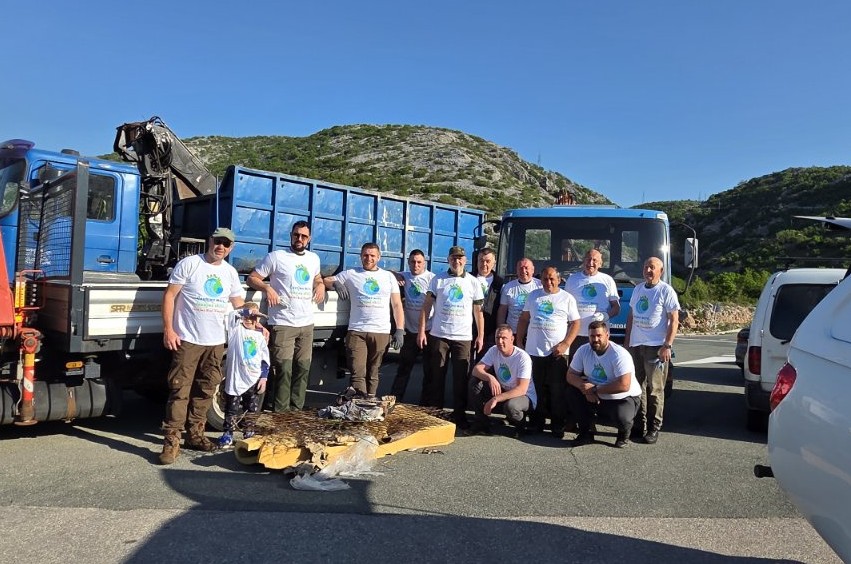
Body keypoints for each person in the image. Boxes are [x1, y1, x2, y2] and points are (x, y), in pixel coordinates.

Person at [159, 227, 245, 465]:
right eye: (218, 241)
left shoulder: (229, 272)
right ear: (210, 241)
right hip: (187, 340)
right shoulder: (190, 264)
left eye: (226, 244)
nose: (221, 247)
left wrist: (255, 322)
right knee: (180, 390)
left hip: (215, 342)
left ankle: (195, 434)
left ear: (231, 248)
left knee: (206, 389)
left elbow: (238, 304)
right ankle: (171, 440)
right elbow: (169, 296)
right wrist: (169, 329)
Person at [247, 221, 324, 412]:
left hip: (306, 324)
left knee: (303, 369)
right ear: (291, 235)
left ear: (309, 239)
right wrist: (267, 288)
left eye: (304, 236)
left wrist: (321, 284)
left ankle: (296, 411)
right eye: (296, 235)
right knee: (284, 370)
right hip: (283, 323)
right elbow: (252, 278)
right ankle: (281, 414)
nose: (299, 239)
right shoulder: (276, 257)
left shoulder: (313, 258)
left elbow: (316, 277)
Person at [324, 243, 405, 396]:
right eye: (365, 255)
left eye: (372, 255)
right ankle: (359, 403)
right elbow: (326, 280)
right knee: (357, 373)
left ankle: (370, 401)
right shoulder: (350, 274)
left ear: (379, 257)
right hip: (357, 332)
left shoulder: (388, 277)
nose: (369, 258)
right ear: (361, 256)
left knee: (373, 373)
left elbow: (396, 305)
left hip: (381, 332)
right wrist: (336, 283)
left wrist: (400, 329)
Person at [418, 245, 484, 428]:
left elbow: (478, 312)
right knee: (437, 376)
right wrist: (422, 330)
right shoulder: (438, 280)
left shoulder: (473, 282)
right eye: (454, 258)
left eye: (460, 258)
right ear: (448, 260)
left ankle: (459, 415)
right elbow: (426, 306)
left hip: (463, 337)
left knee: (461, 378)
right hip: (440, 335)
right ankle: (436, 414)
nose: (457, 261)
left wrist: (480, 335)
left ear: (465, 261)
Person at [516, 265, 581, 438]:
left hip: (557, 353)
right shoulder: (533, 296)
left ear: (559, 280)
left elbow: (576, 323)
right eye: (545, 278)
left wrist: (566, 343)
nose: (548, 282)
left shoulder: (567, 298)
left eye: (552, 278)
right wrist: (519, 342)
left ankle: (557, 425)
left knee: (557, 391)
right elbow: (524, 319)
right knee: (535, 389)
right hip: (533, 351)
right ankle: (536, 422)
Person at [625, 256, 680, 445]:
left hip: (656, 347)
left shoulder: (666, 291)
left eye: (652, 267)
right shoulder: (638, 289)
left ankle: (654, 427)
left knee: (655, 389)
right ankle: (638, 425)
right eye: (646, 267)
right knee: (637, 387)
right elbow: (631, 316)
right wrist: (627, 342)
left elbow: (674, 320)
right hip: (636, 345)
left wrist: (667, 345)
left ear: (661, 271)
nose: (648, 270)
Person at [565, 320, 642, 448]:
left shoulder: (619, 354)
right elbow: (571, 375)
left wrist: (594, 389)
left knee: (622, 416)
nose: (595, 339)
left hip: (623, 397)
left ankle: (624, 433)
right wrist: (585, 389)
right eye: (592, 336)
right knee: (571, 392)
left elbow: (624, 385)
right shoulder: (583, 350)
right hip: (595, 393)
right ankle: (585, 433)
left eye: (599, 336)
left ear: (607, 335)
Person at [217, 302, 271, 448]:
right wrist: (247, 312)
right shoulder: (236, 330)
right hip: (236, 378)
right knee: (231, 408)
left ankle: (249, 432)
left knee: (251, 408)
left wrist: (264, 377)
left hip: (253, 378)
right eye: (247, 317)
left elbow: (265, 359)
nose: (250, 320)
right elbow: (232, 315)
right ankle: (228, 433)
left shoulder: (260, 336)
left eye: (254, 318)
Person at [468, 324, 537, 436]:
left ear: (512, 339)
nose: (500, 341)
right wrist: (490, 377)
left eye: (504, 338)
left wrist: (496, 399)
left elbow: (521, 389)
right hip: (504, 390)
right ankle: (482, 423)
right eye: (497, 338)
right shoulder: (494, 350)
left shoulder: (522, 357)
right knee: (475, 383)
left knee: (511, 407)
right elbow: (476, 370)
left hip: (524, 396)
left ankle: (521, 425)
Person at [390, 249, 435, 402]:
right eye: (413, 262)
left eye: (419, 262)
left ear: (424, 263)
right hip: (410, 331)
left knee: (429, 370)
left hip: (428, 330)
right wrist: (395, 274)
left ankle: (426, 403)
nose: (416, 265)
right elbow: (385, 272)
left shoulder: (432, 279)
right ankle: (395, 400)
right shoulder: (406, 276)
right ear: (408, 263)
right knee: (403, 368)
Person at [565, 249, 620, 355]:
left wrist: (605, 316)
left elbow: (616, 308)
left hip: (599, 335)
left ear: (600, 263)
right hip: (576, 334)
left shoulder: (607, 280)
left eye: (594, 260)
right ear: (583, 261)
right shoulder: (572, 280)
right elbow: (565, 306)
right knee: (577, 364)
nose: (590, 263)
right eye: (588, 259)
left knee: (599, 363)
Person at [473, 247, 504, 362]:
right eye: (481, 260)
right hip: (469, 328)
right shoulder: (468, 279)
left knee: (486, 364)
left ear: (494, 263)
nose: (484, 264)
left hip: (490, 330)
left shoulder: (500, 283)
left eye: (488, 261)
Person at [497, 257, 542, 333]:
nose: (523, 271)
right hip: (513, 331)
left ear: (533, 270)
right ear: (517, 270)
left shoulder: (540, 286)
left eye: (526, 268)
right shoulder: (508, 287)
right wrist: (500, 330)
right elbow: (502, 310)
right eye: (521, 268)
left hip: (534, 333)